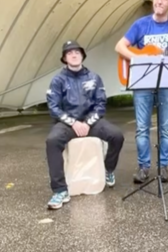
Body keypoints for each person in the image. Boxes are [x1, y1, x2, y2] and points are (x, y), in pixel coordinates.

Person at [114, 0, 168, 184]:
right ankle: (144, 167)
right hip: (143, 82)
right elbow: (119, 46)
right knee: (141, 128)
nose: (159, 1)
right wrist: (136, 59)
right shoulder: (141, 24)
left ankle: (163, 167)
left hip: (166, 83)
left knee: (166, 128)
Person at [45, 39, 125, 209]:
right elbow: (54, 108)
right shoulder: (58, 80)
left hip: (91, 122)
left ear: (82, 55)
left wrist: (88, 123)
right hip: (68, 124)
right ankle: (60, 190)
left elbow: (101, 105)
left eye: (77, 52)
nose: (73, 55)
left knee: (117, 135)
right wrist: (73, 123)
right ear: (65, 58)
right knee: (52, 141)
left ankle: (108, 170)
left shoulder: (94, 78)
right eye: (69, 53)